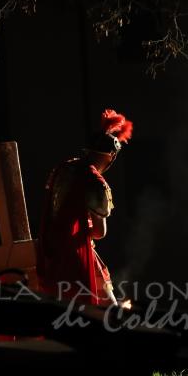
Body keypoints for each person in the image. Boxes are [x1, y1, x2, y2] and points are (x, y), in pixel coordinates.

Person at [35, 109, 133, 306]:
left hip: (50, 253)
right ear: (111, 156)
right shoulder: (95, 181)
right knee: (107, 312)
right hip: (76, 256)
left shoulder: (63, 169)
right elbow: (99, 232)